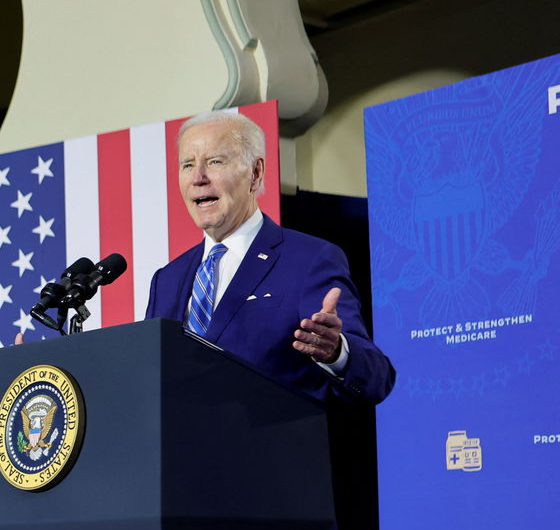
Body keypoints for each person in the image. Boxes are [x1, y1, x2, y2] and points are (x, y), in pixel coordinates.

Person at [144, 110, 395, 405]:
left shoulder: (309, 260)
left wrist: (337, 352)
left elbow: (377, 377)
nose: (198, 178)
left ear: (255, 173)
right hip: (179, 447)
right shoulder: (168, 278)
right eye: (188, 164)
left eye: (215, 162)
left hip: (269, 445)